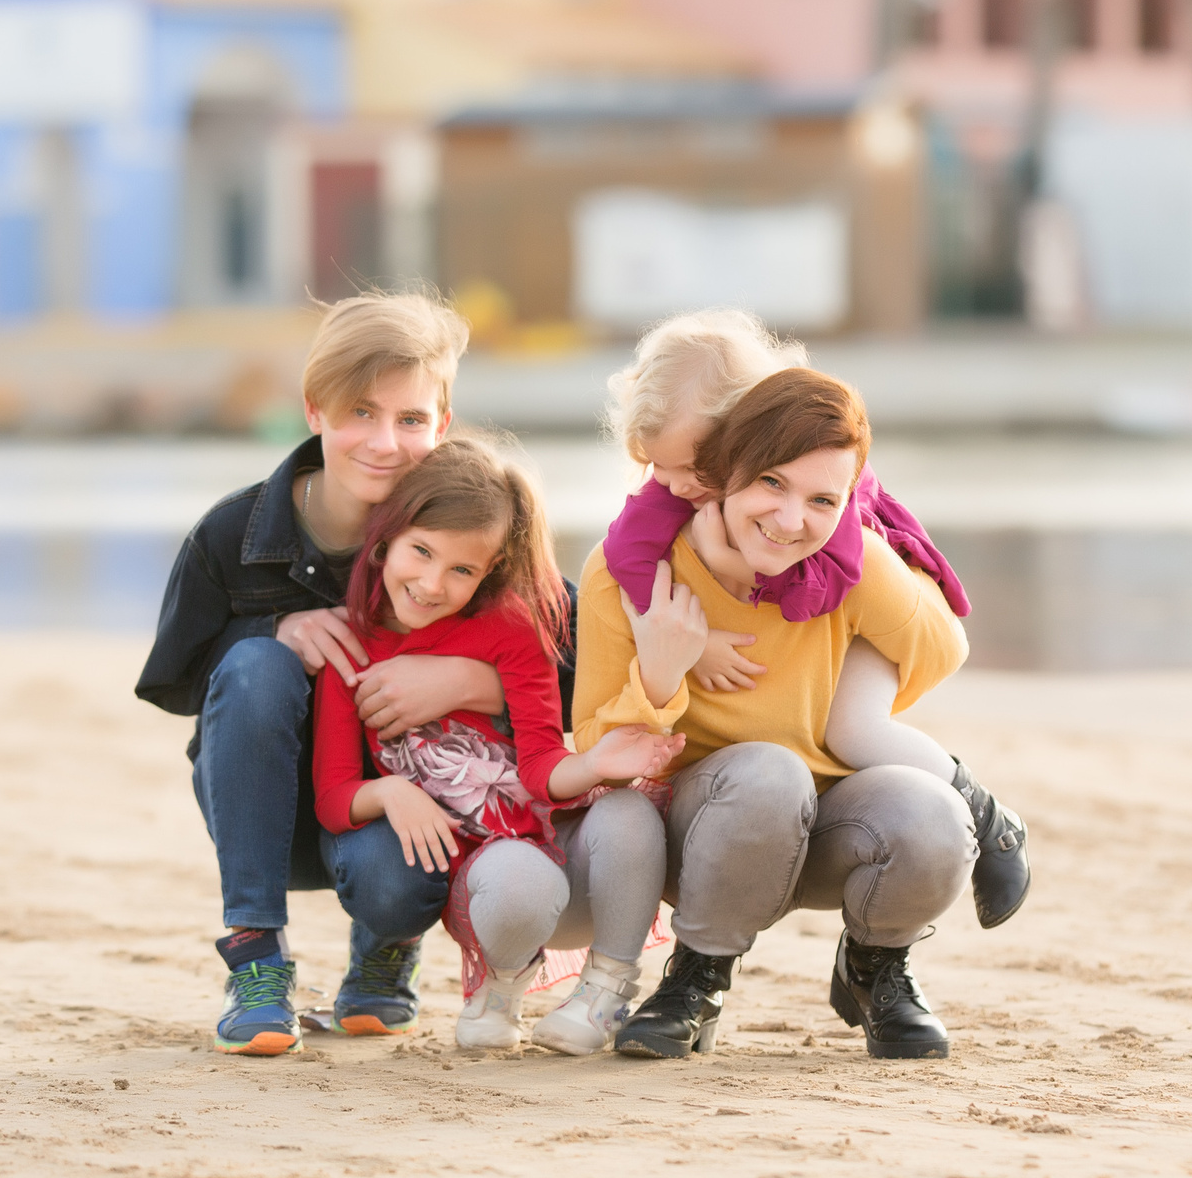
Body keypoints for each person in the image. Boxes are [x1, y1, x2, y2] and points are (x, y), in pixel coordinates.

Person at [136, 294, 525, 1057]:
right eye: (360, 413)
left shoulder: (470, 525)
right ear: (315, 411)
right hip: (265, 817)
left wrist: (463, 683)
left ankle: (384, 950)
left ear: (442, 423)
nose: (386, 442)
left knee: (401, 881)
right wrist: (272, 630)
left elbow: (572, 668)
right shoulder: (234, 534)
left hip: (396, 817)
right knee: (255, 666)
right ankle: (256, 959)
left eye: (411, 419)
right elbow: (174, 681)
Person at [573, 368, 976, 1060]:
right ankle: (698, 977)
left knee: (936, 811)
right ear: (724, 471)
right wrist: (666, 670)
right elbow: (596, 745)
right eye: (771, 484)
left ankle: (876, 966)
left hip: (824, 826)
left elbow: (942, 648)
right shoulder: (628, 573)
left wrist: (854, 677)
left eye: (824, 498)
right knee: (768, 772)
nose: (791, 521)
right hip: (699, 836)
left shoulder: (847, 564)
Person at [599, 310, 1029, 926]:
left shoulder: (818, 485)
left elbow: (824, 582)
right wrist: (684, 635)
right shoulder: (677, 488)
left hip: (873, 589)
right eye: (653, 466)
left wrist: (738, 570)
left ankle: (991, 821)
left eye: (688, 468)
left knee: (854, 732)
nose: (669, 485)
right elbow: (625, 552)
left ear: (747, 433)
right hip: (796, 662)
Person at [309, 438, 680, 1053]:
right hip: (487, 880)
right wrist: (392, 792)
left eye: (461, 570)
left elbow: (538, 768)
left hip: (565, 854)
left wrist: (592, 764)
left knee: (630, 811)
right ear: (385, 538)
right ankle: (502, 986)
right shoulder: (348, 647)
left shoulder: (512, 626)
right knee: (518, 880)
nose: (431, 584)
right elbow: (332, 795)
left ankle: (604, 993)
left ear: (490, 570)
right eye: (421, 552)